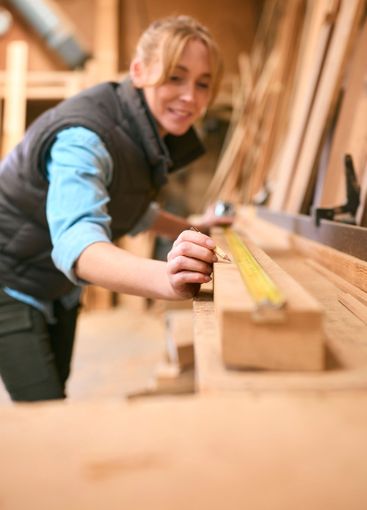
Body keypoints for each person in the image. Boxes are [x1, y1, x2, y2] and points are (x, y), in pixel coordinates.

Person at [0, 15, 233, 402]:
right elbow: (78, 242)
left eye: (203, 83)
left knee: (57, 392)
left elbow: (130, 208)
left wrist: (193, 226)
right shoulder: (85, 137)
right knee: (43, 412)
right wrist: (167, 280)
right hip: (9, 279)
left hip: (53, 282)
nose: (190, 96)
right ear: (139, 71)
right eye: (175, 77)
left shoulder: (140, 130)